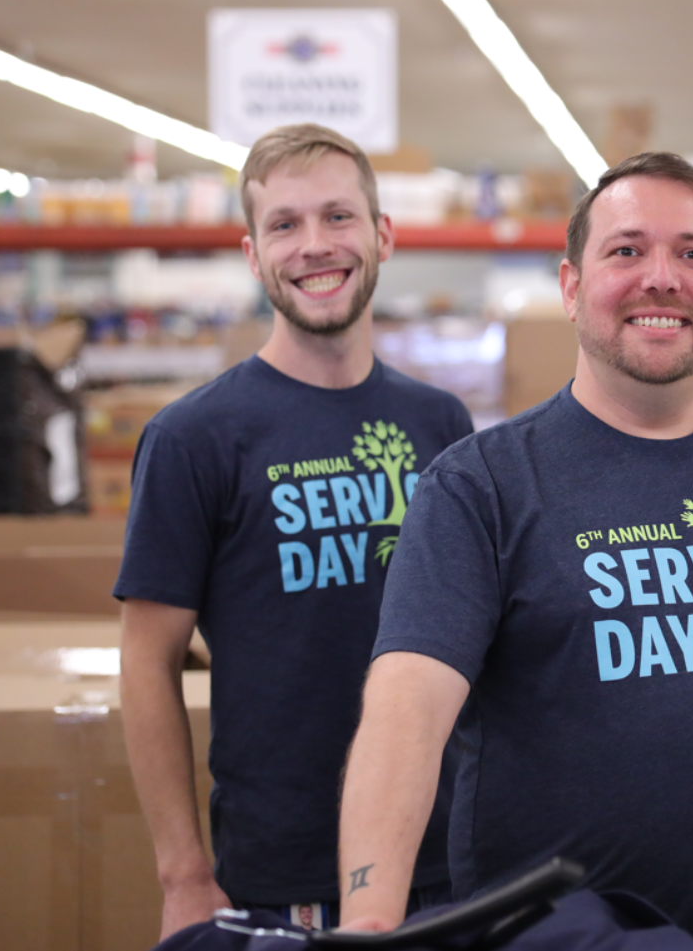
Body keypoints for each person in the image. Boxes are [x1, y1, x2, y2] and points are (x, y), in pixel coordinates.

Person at [337, 152, 693, 949]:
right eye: (626, 250)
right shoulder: (481, 487)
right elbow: (407, 712)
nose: (661, 278)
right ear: (571, 286)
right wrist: (370, 918)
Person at [116, 123, 473, 938]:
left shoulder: (440, 421)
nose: (315, 246)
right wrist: (182, 873)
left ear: (382, 235)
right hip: (284, 875)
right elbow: (147, 659)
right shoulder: (193, 438)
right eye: (285, 224)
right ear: (253, 254)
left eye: (338, 217)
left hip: (443, 858)